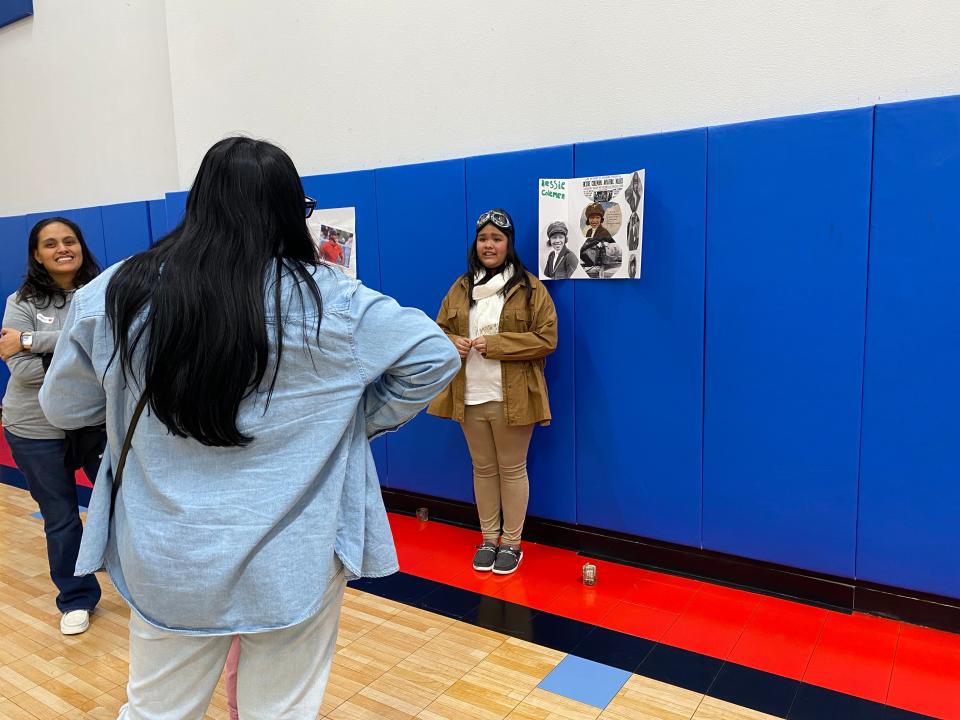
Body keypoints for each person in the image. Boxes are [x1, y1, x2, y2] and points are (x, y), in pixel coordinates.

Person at [38, 137, 460, 719]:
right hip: (295, 554)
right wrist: (354, 418)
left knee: (156, 710)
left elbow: (63, 409)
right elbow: (434, 357)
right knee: (280, 712)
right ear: (292, 211)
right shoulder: (331, 299)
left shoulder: (113, 291)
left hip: (168, 556)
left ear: (199, 203)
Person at [428, 208, 557, 575]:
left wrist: (496, 345)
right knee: (482, 469)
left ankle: (512, 544)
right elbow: (437, 330)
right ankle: (488, 538)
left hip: (513, 396)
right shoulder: (461, 286)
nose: (489, 245)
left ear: (508, 244)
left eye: (497, 239)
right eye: (483, 238)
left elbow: (547, 338)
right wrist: (452, 340)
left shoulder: (530, 288)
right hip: (468, 395)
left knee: (512, 469)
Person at [0, 217, 104, 636]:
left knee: (128, 507)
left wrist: (32, 340)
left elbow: (115, 352)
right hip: (35, 430)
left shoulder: (103, 291)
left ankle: (143, 585)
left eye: (69, 240)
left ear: (80, 246)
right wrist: (86, 353)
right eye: (50, 244)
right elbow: (24, 372)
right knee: (61, 518)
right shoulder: (21, 301)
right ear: (38, 255)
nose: (62, 248)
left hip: (95, 425)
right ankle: (76, 597)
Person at [579, 202, 621, 278]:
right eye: (592, 218)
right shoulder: (589, 232)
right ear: (588, 219)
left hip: (600, 262)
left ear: (601, 219)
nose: (594, 221)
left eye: (597, 218)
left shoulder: (604, 232)